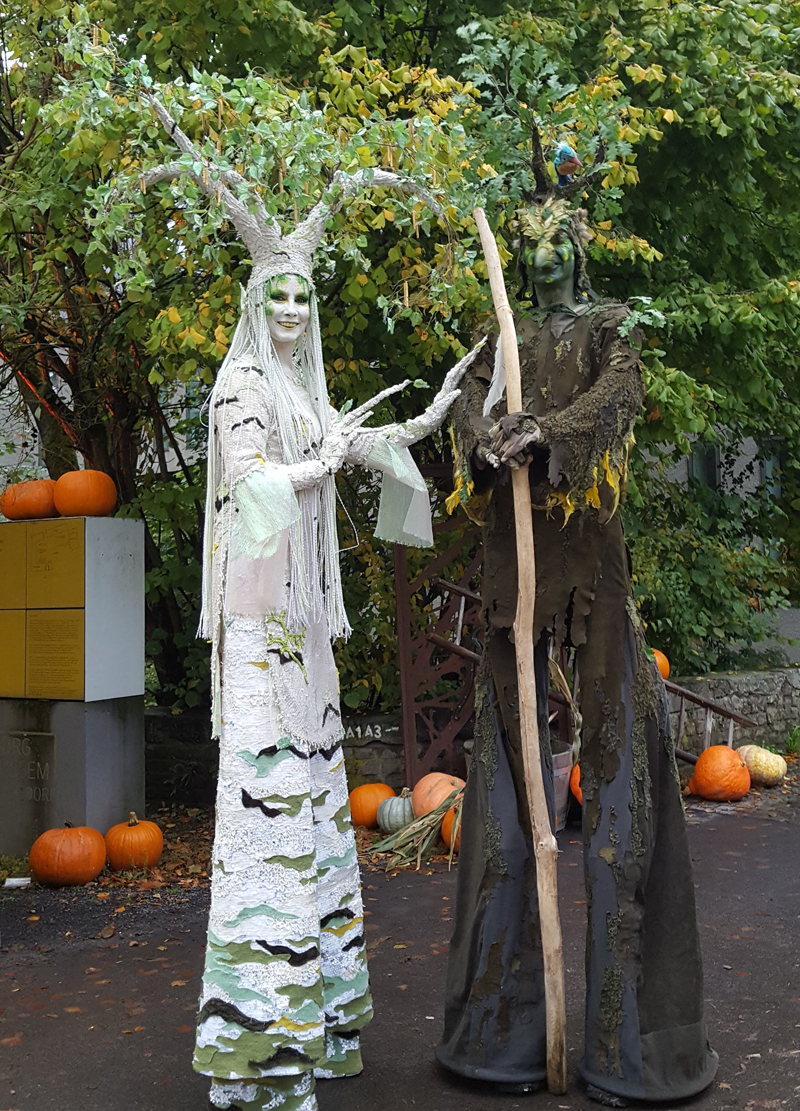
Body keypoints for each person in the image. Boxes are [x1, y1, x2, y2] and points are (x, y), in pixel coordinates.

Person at [133, 93, 481, 1111]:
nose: (290, 311)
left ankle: (319, 1027)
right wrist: (320, 460)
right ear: (252, 301)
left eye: (302, 296)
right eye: (275, 295)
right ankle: (258, 1060)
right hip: (258, 627)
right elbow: (251, 487)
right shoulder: (241, 386)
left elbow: (345, 446)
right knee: (268, 821)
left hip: (305, 638)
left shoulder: (300, 387)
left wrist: (414, 426)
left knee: (316, 814)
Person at [437, 193, 718, 1106]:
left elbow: (621, 395)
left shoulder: (608, 325)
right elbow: (463, 411)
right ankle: (501, 1032)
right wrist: (486, 438)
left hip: (590, 564)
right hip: (516, 573)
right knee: (509, 784)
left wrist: (546, 433)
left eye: (560, 241)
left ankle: (631, 1041)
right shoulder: (501, 336)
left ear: (581, 251)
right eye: (532, 244)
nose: (545, 256)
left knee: (622, 768)